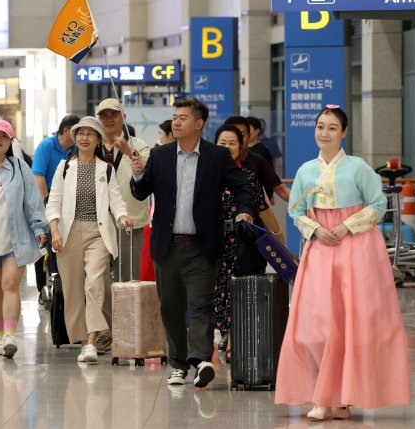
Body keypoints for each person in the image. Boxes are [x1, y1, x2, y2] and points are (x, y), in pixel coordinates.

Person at [275, 105, 410, 420]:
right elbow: (296, 211)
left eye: (332, 127)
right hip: (320, 248)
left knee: (351, 324)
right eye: (321, 126)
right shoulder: (307, 169)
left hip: (356, 250)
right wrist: (316, 228)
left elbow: (378, 204)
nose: (324, 133)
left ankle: (341, 397)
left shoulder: (358, 167)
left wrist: (346, 225)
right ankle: (322, 393)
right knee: (316, 324)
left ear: (344, 132)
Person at [129, 97, 255, 389]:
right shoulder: (160, 156)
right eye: (174, 117)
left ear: (199, 124)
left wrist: (245, 210)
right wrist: (137, 174)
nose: (176, 122)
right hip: (166, 245)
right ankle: (177, 364)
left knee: (200, 305)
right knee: (171, 307)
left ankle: (200, 361)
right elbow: (141, 192)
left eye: (183, 118)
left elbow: (243, 186)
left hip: (201, 245)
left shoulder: (217, 157)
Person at [46, 116, 131, 364]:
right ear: (75, 138)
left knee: (93, 284)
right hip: (68, 233)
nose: (84, 138)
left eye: (90, 134)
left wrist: (123, 216)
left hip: (98, 232)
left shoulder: (106, 169)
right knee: (73, 290)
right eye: (80, 133)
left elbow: (116, 200)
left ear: (97, 140)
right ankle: (83, 342)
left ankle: (92, 342)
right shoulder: (64, 167)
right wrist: (55, 231)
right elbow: (54, 202)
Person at [0, 120, 48, 359]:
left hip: (16, 238)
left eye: (5, 136)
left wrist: (40, 228)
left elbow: (33, 201)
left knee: (10, 285)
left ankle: (10, 335)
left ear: (10, 142)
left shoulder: (20, 168)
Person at [211, 125, 279, 357]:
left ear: (241, 148)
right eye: (222, 142)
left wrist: (278, 240)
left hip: (243, 244)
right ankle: (227, 334)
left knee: (240, 290)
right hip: (215, 244)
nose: (227, 147)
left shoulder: (248, 177)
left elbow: (263, 209)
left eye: (232, 143)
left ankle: (235, 340)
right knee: (219, 291)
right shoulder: (206, 176)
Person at [95, 98, 150, 354]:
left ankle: (127, 331)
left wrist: (129, 153)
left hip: (131, 222)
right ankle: (106, 330)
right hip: (96, 223)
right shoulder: (91, 145)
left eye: (113, 114)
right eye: (103, 115)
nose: (108, 119)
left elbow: (148, 175)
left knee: (127, 279)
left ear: (123, 117)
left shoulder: (139, 146)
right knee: (99, 279)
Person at [31, 114, 80, 303]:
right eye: (77, 132)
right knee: (45, 240)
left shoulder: (76, 148)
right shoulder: (47, 146)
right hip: (50, 197)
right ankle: (44, 287)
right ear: (67, 131)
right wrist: (47, 204)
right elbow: (39, 177)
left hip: (73, 201)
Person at [223, 115, 290, 203]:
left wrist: (308, 205)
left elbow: (281, 190)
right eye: (232, 136)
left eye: (242, 135)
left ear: (249, 136)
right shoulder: (214, 162)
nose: (237, 140)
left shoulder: (258, 161)